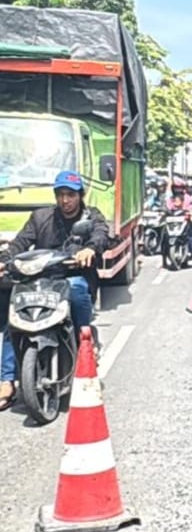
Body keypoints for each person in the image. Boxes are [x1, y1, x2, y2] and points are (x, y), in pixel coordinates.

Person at [0, 170, 109, 411]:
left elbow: (101, 234)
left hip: (72, 276)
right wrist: (5, 259)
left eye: (70, 195)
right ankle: (6, 380)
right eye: (60, 195)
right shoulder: (41, 217)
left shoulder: (91, 216)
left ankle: (85, 341)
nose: (65, 200)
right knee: (14, 318)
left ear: (80, 196)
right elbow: (20, 242)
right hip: (41, 277)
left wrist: (89, 249)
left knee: (79, 289)